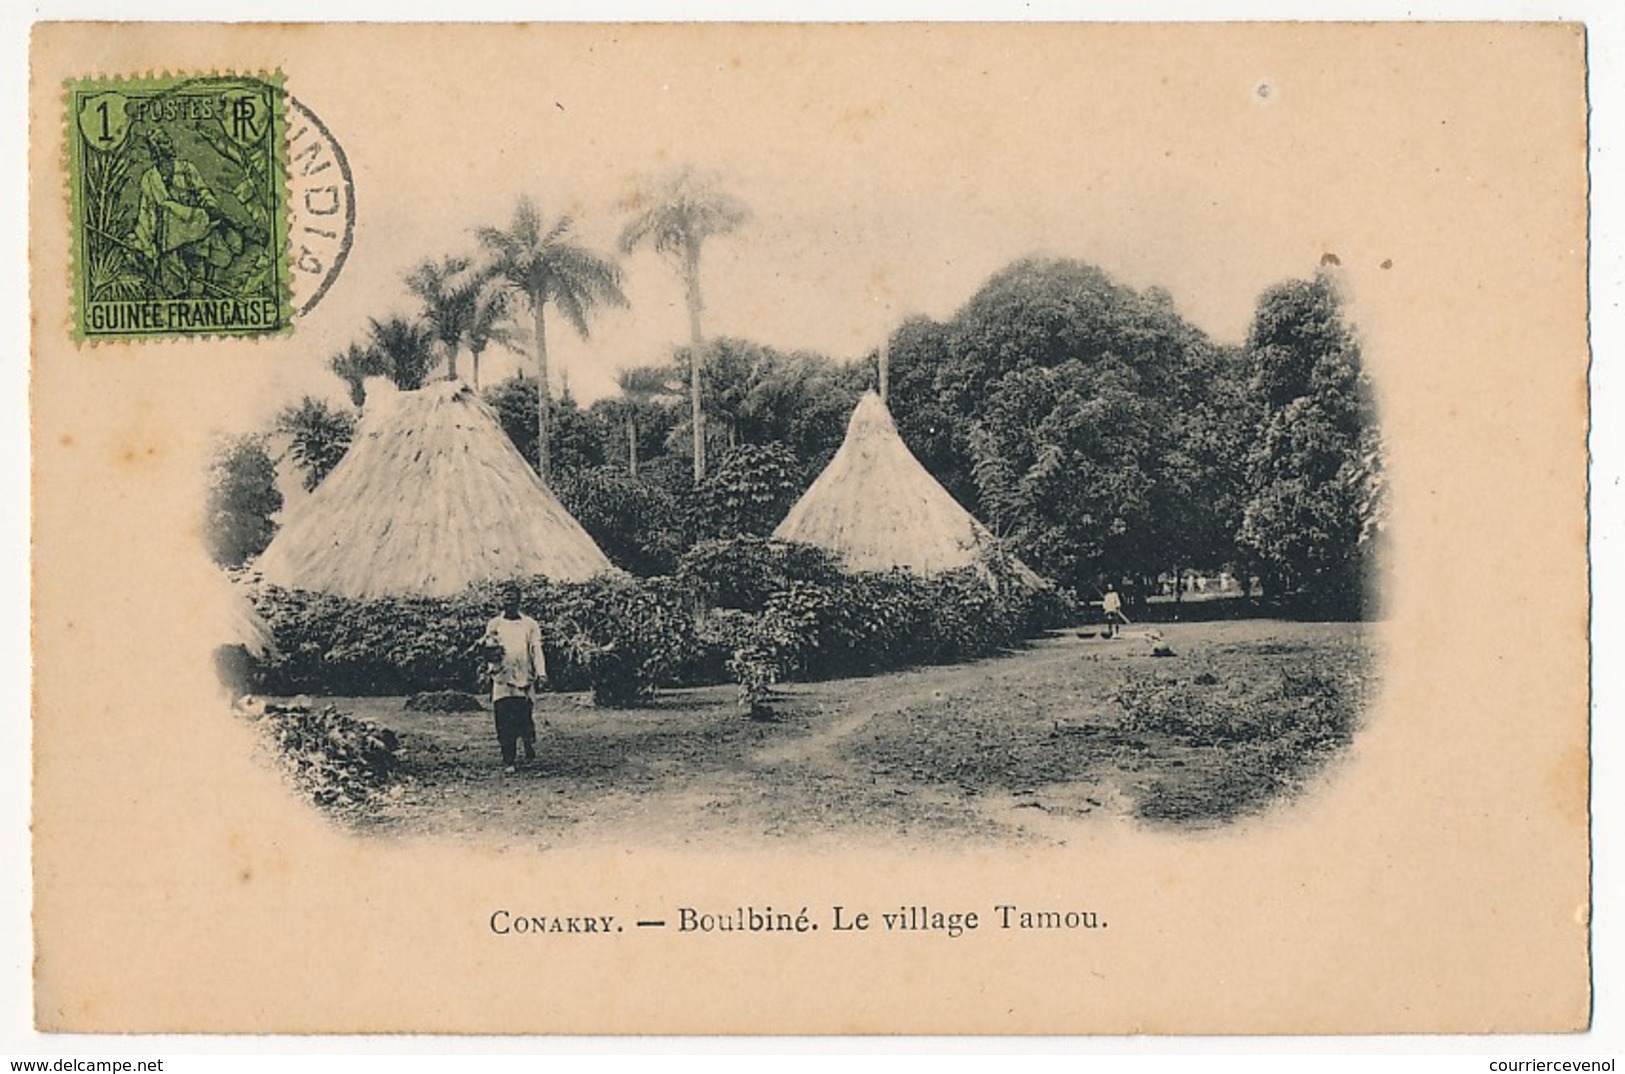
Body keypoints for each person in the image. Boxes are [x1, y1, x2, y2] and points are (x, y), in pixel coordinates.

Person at [481, 584, 547, 775]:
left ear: (519, 601)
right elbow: (488, 648)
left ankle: (527, 743)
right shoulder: (495, 624)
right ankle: (508, 758)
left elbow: (536, 649)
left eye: (512, 599)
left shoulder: (529, 624)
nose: (508, 603)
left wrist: (541, 673)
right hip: (502, 677)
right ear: (501, 601)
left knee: (523, 716)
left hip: (524, 677)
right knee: (503, 717)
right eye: (505, 599)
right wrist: (490, 661)